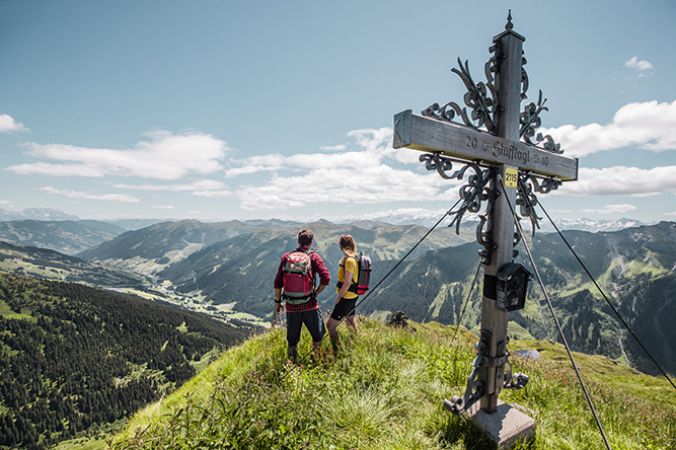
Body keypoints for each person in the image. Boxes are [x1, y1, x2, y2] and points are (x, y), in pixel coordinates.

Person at [274, 229, 331, 360]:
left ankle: (291, 364)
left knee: (292, 341)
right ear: (311, 242)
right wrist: (315, 293)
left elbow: (277, 283)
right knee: (318, 336)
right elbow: (326, 278)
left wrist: (278, 302)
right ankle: (316, 362)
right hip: (310, 305)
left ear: (298, 241)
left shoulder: (286, 257)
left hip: (291, 306)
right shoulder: (313, 257)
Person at [327, 234, 359, 352]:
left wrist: (339, 297)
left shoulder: (349, 261)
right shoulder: (354, 258)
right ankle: (355, 344)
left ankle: (338, 350)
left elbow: (347, 282)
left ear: (341, 246)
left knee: (330, 325)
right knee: (350, 320)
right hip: (353, 296)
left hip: (346, 297)